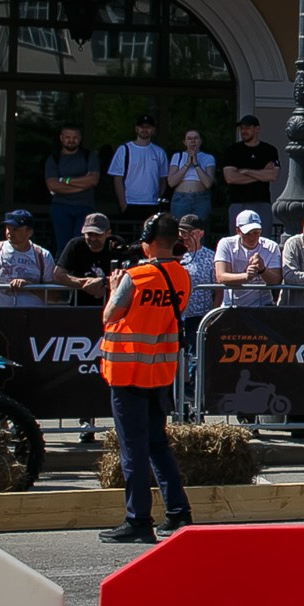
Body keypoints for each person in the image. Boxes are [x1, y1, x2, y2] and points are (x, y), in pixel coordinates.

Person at [98, 212, 194, 544]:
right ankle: (178, 512)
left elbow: (111, 314)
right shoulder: (182, 275)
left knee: (133, 449)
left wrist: (113, 288)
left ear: (149, 242)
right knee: (157, 444)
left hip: (128, 373)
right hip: (159, 371)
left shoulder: (136, 276)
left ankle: (138, 519)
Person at [43, 125, 100, 250]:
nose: (71, 140)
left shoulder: (89, 156)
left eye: (75, 137)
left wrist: (65, 180)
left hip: (85, 207)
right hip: (61, 207)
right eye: (68, 137)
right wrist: (82, 185)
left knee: (82, 245)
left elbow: (93, 180)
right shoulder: (54, 159)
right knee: (62, 246)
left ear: (79, 139)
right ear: (61, 138)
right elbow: (53, 185)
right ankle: (62, 270)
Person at [214, 210, 284, 307]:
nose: (252, 237)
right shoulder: (226, 244)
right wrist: (246, 276)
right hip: (232, 306)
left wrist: (262, 269)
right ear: (238, 231)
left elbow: (276, 280)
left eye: (256, 232)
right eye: (248, 233)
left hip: (262, 305)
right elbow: (221, 277)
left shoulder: (272, 246)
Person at [107, 115, 170, 222]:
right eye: (142, 127)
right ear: (136, 129)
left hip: (152, 204)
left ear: (153, 130)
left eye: (148, 127)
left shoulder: (159, 152)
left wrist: (158, 198)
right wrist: (123, 204)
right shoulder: (124, 150)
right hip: (130, 203)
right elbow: (117, 179)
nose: (145, 130)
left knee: (150, 238)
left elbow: (163, 179)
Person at [58, 212, 130, 304]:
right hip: (79, 306)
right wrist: (86, 283)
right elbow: (58, 275)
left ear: (108, 233)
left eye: (97, 234)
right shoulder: (75, 245)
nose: (92, 238)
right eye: (89, 234)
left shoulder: (116, 244)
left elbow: (129, 274)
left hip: (111, 305)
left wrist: (104, 282)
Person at [220, 115, 280, 215]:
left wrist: (246, 171)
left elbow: (273, 175)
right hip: (237, 202)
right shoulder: (232, 150)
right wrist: (261, 174)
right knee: (237, 231)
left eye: (247, 128)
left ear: (257, 129)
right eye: (242, 128)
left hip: (262, 202)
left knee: (263, 231)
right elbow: (230, 178)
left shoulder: (269, 150)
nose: (244, 131)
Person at [165, 130, 216, 227]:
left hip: (201, 199)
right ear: (184, 142)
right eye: (189, 139)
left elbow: (208, 183)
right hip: (181, 198)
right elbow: (171, 182)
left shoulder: (208, 158)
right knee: (179, 231)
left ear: (200, 141)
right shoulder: (177, 156)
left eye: (196, 138)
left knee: (200, 232)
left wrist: (196, 164)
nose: (192, 141)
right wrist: (187, 164)